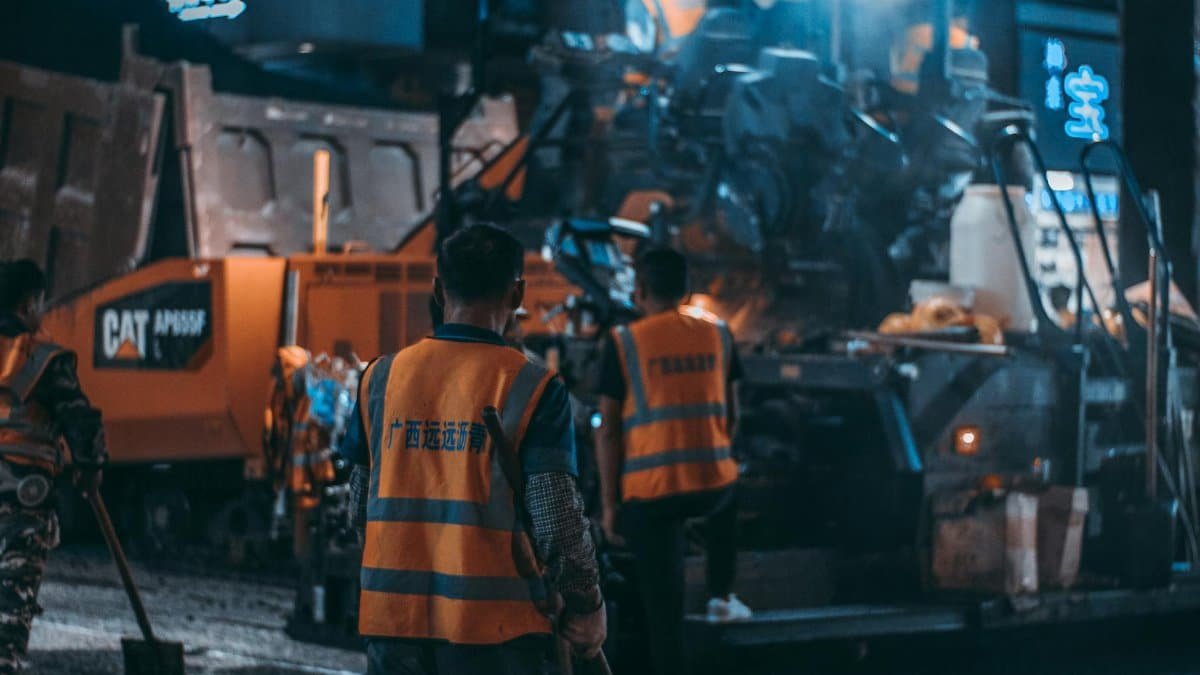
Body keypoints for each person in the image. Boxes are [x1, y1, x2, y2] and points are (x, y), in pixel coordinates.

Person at [341, 224, 605, 675]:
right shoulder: (532, 387)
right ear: (517, 292)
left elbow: (358, 511)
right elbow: (556, 518)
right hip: (494, 636)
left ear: (439, 289)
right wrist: (587, 603)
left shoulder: (380, 379)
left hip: (393, 628)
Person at [594, 247, 750, 675]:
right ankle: (721, 597)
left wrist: (610, 509)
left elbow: (607, 430)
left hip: (652, 496)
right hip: (713, 489)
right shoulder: (719, 333)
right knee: (732, 482)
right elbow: (734, 413)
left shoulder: (625, 343)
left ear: (639, 291)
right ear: (687, 289)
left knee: (664, 621)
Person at [0, 260, 106, 673]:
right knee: (9, 607)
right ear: (28, 304)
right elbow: (81, 420)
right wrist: (90, 467)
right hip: (20, 502)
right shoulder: (42, 357)